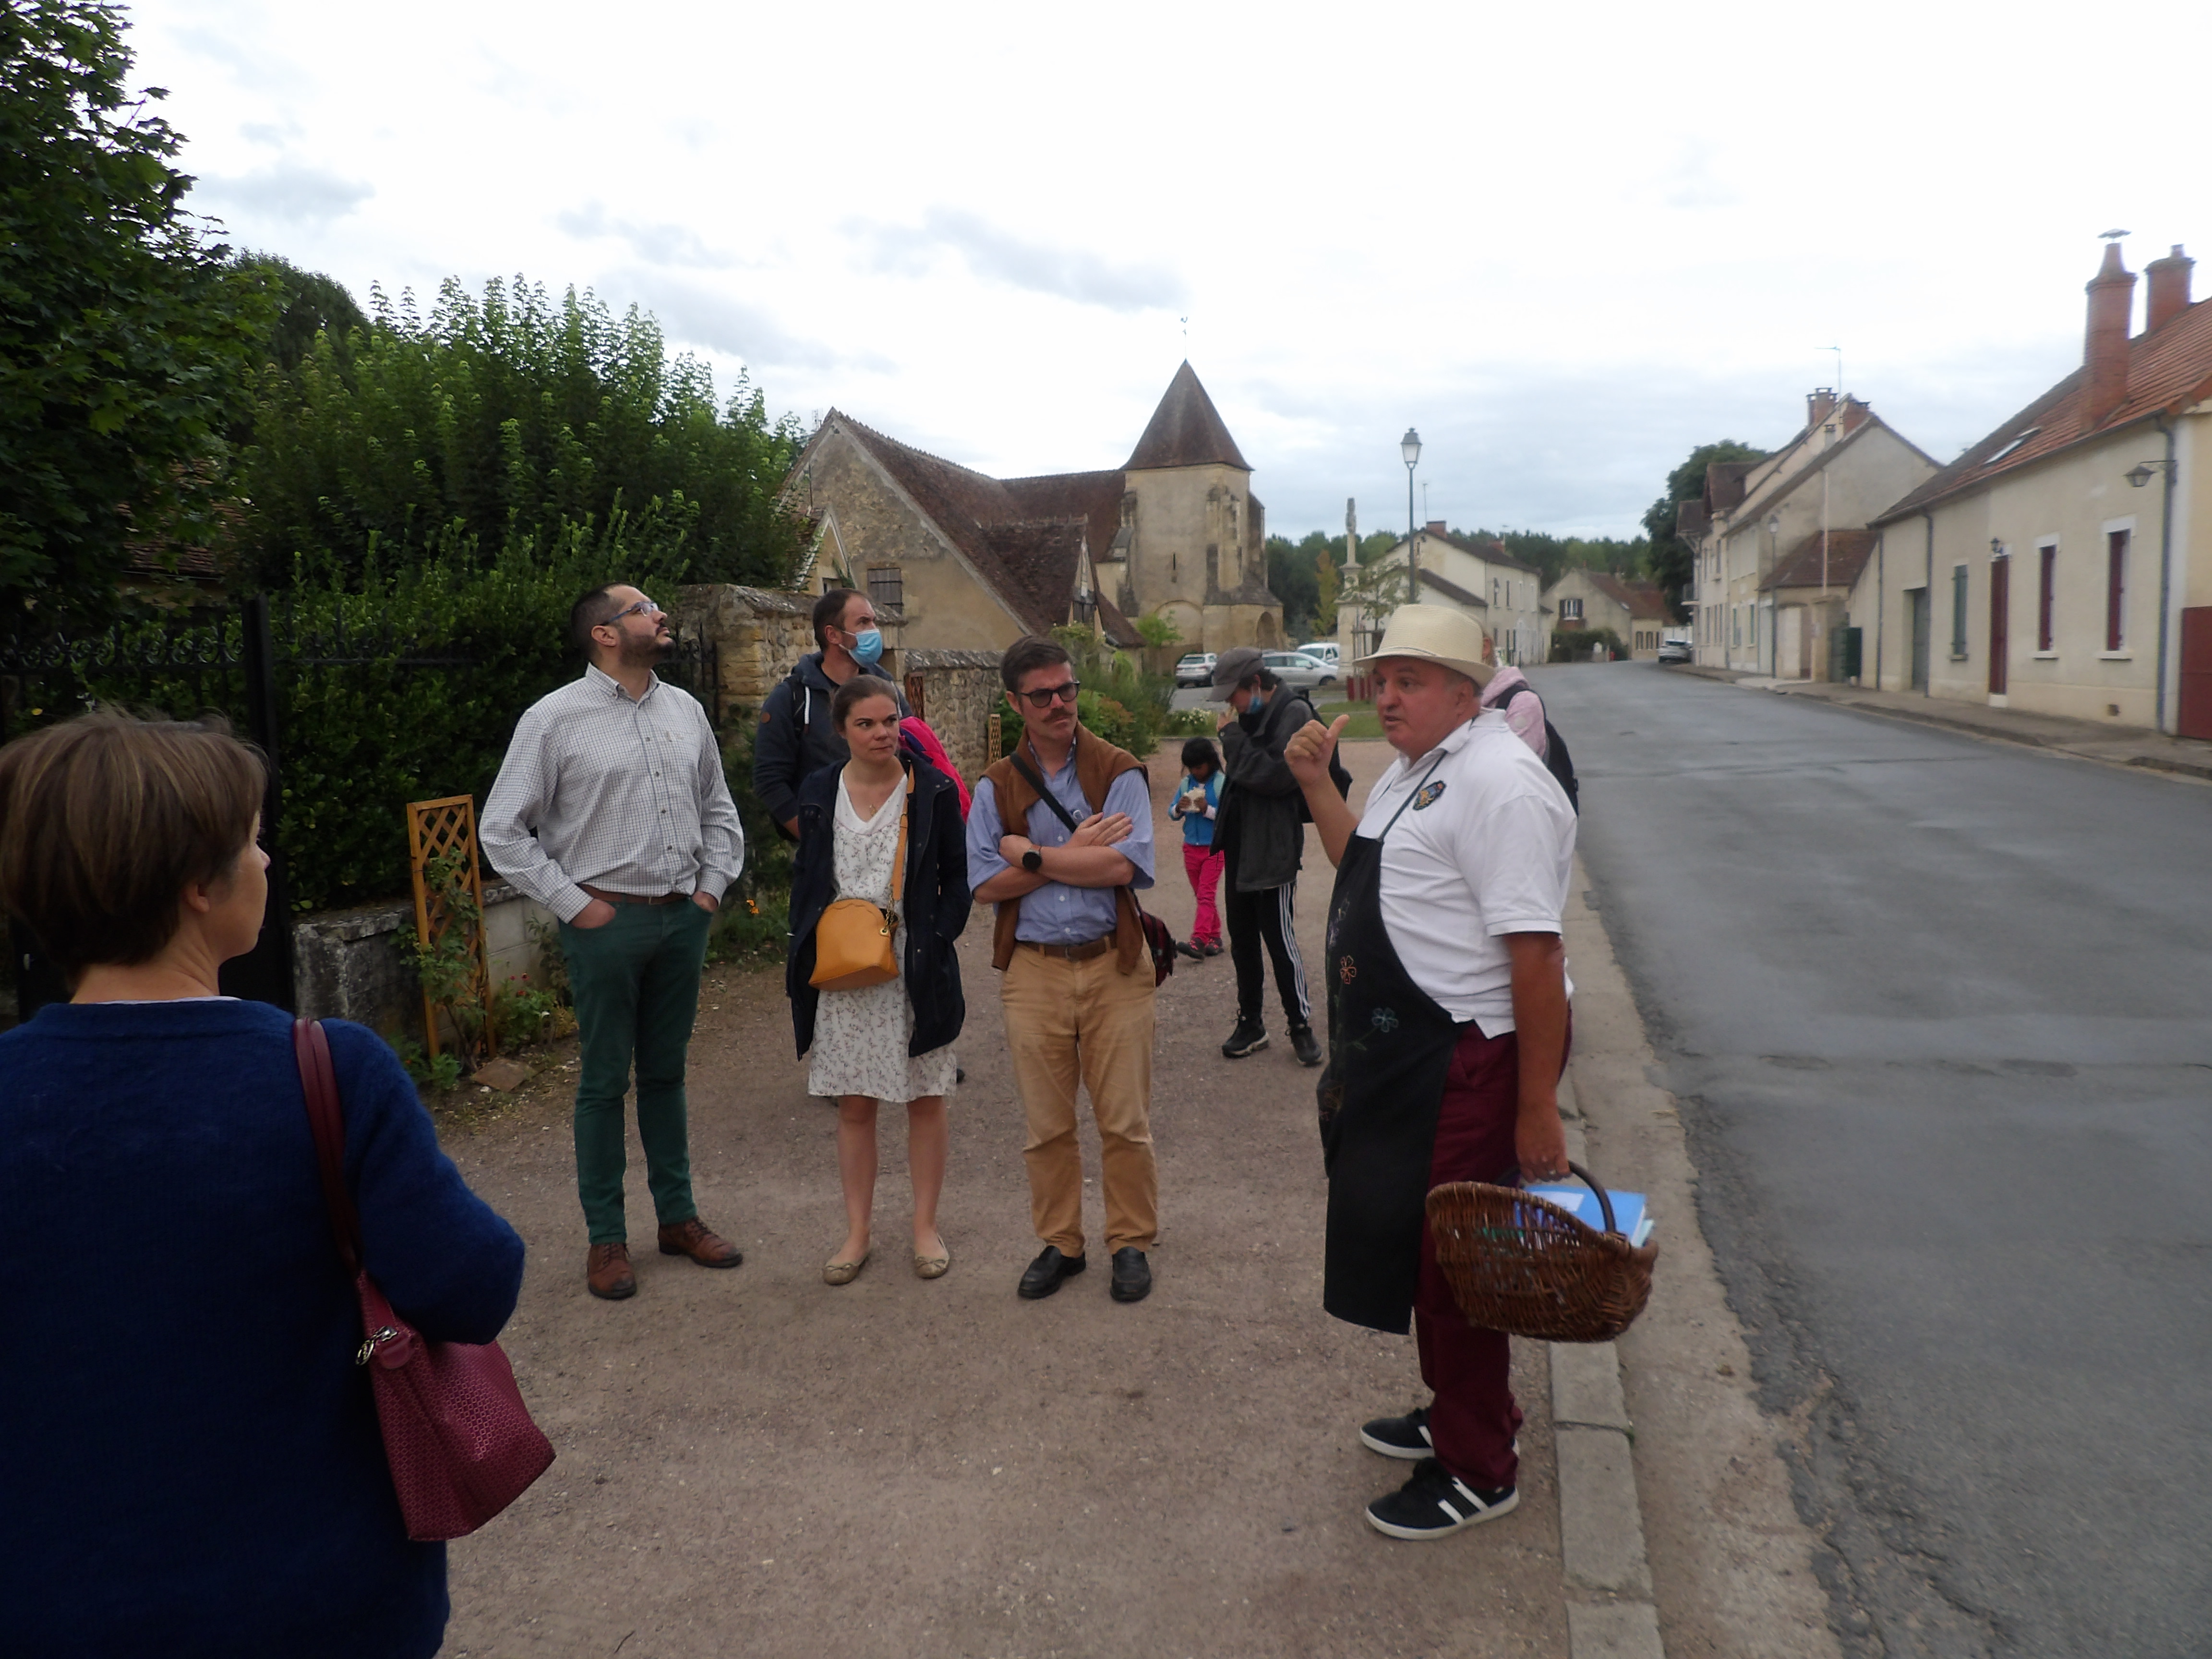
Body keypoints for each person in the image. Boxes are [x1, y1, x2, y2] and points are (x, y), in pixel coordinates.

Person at [0, 711, 525, 1659]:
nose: (269, 860)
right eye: (252, 839)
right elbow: (473, 1285)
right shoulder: (327, 1073)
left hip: (47, 1602)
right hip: (314, 1598)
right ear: (200, 886)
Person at [1280, 603, 1576, 1541]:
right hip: (1404, 1058)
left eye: (1409, 681)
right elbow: (1360, 874)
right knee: (1421, 1256)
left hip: (1464, 1058)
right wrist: (1317, 784)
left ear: (1465, 692)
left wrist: (1536, 1112)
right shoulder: (1417, 770)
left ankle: (1481, 1465)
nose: (1384, 694)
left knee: (1458, 1268)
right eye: (1381, 678)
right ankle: (1458, 1410)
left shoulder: (1502, 784)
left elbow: (1535, 956)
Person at [482, 583, 746, 1300]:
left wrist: (710, 892)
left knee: (667, 1074)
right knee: (603, 1081)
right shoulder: (554, 719)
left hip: (681, 916)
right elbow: (501, 828)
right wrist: (574, 905)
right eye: (643, 609)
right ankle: (607, 1239)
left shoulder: (685, 709)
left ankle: (678, 1219)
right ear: (604, 634)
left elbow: (718, 809)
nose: (659, 615)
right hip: (605, 921)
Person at [967, 635, 1160, 1305]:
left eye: (1068, 689)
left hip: (1115, 963)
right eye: (1043, 695)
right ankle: (1062, 1243)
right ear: (1017, 703)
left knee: (1124, 1121)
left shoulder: (1120, 771)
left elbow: (1124, 868)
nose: (1060, 704)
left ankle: (1130, 1241)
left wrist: (1034, 857)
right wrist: (1066, 852)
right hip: (1034, 970)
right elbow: (983, 885)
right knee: (1046, 1126)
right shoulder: (995, 784)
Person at [787, 677, 970, 1285]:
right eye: (866, 724)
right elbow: (808, 876)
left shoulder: (934, 789)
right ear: (841, 730)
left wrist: (936, 941)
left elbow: (956, 881)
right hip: (843, 971)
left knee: (925, 1101)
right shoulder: (817, 791)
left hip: (914, 973)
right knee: (855, 1107)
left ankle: (924, 1227)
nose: (882, 733)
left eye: (890, 721)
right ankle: (857, 1232)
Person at [1210, 645, 1325, 1066]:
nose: (1229, 705)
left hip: (1272, 846)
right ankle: (1252, 1023)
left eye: (1232, 696)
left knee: (1280, 941)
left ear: (1255, 684)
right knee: (1243, 941)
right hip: (1242, 844)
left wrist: (1232, 740)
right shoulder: (1251, 714)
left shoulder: (1295, 714)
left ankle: (1301, 1027)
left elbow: (1277, 776)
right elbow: (1245, 772)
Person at [753, 586, 909, 841]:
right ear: (833, 634)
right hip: (825, 842)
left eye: (873, 622)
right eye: (863, 622)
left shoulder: (887, 688)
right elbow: (769, 781)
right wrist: (815, 840)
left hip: (888, 840)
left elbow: (912, 751)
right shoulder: (792, 698)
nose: (874, 631)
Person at [1168, 734, 1225, 960]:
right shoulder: (1186, 784)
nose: (1195, 772)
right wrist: (1180, 809)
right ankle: (1215, 936)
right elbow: (1171, 812)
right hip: (1191, 847)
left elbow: (1227, 817)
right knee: (1202, 895)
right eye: (1191, 768)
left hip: (1214, 848)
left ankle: (1198, 940)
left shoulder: (1221, 783)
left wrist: (1206, 810)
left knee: (1205, 895)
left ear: (1210, 762)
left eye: (1199, 767)